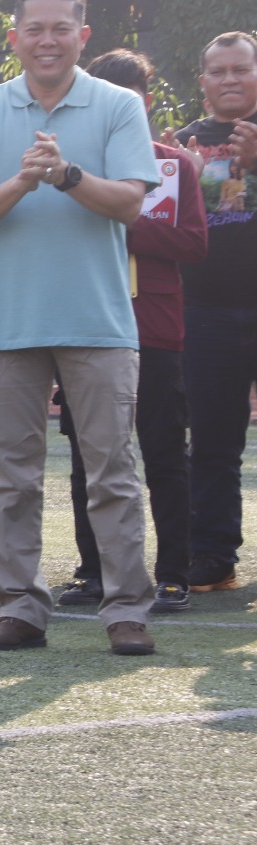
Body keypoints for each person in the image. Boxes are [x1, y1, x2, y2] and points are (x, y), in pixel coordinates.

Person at [0, 0, 159, 656]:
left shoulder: (119, 105)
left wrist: (66, 175)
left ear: (81, 36)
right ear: (14, 38)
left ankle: (126, 609)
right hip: (9, 324)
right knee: (12, 476)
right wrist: (25, 179)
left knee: (113, 474)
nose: (46, 40)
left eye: (60, 28)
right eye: (33, 29)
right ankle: (21, 608)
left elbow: (129, 203)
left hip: (98, 321)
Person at [52, 48, 206, 613]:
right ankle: (93, 571)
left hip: (155, 330)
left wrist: (122, 219)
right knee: (87, 458)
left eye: (136, 96)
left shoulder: (174, 165)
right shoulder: (71, 171)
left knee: (165, 453)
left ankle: (173, 574)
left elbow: (193, 243)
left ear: (146, 100)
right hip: (85, 326)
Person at [168, 30, 257, 593]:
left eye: (241, 69)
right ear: (202, 84)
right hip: (203, 311)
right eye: (218, 71)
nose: (230, 79)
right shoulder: (180, 146)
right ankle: (211, 554)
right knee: (214, 441)